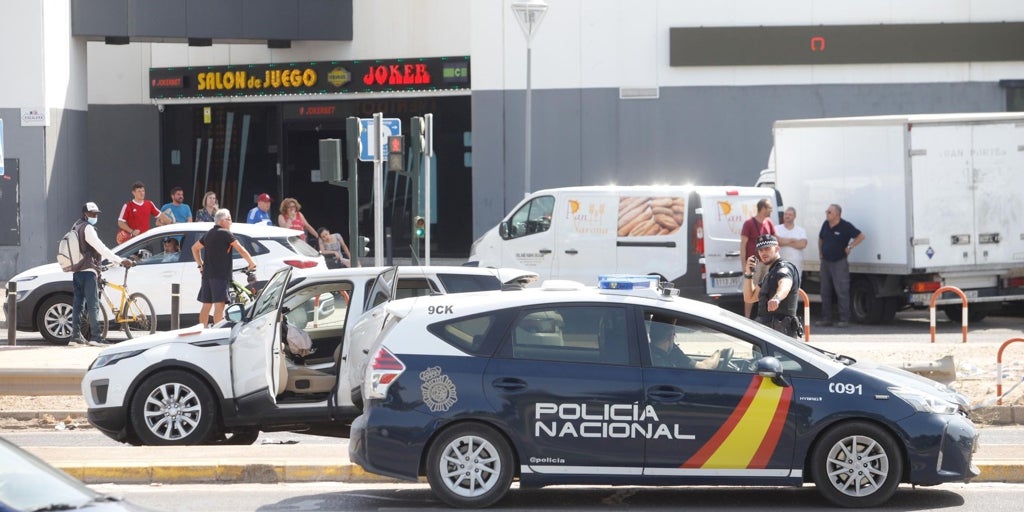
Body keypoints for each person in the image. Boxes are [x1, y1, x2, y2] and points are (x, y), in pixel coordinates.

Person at [69, 202, 133, 347]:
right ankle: (96, 337)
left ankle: (75, 337)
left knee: (78, 304)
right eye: (92, 214)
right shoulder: (88, 228)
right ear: (85, 214)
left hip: (77, 271)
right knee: (93, 305)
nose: (95, 216)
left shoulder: (76, 225)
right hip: (88, 271)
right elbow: (101, 248)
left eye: (96, 214)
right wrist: (120, 260)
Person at [191, 209, 256, 326]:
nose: (231, 222)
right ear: (222, 221)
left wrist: (200, 265)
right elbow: (240, 249)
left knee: (206, 305)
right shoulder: (225, 233)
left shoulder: (209, 233)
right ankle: (217, 334)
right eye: (229, 219)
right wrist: (251, 262)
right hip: (220, 276)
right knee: (219, 305)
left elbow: (194, 248)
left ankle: (201, 332)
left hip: (207, 275)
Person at [743, 234, 802, 338]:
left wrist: (777, 298)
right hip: (767, 330)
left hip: (782, 331)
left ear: (777, 249)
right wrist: (749, 274)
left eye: (767, 249)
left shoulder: (784, 268)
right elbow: (749, 298)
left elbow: (785, 284)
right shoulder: (770, 274)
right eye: (760, 250)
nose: (763, 253)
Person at [818, 204, 865, 327]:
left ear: (837, 214)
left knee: (842, 291)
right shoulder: (825, 224)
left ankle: (844, 319)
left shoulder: (845, 226)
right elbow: (821, 238)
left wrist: (850, 246)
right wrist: (821, 252)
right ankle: (826, 319)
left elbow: (861, 236)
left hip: (839, 262)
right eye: (826, 211)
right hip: (825, 262)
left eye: (829, 212)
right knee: (825, 291)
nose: (827, 214)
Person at [740, 198, 777, 318]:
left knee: (768, 289)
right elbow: (743, 244)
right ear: (763, 209)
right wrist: (744, 265)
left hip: (767, 262)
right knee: (750, 291)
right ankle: (747, 317)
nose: (771, 210)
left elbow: (775, 240)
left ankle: (766, 316)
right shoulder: (749, 223)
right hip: (755, 263)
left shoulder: (769, 222)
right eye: (769, 207)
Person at [648, 319, 721, 370]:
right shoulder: (661, 362)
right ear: (670, 337)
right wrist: (719, 352)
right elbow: (705, 367)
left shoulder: (649, 352)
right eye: (674, 335)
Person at [775, 206, 808, 277]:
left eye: (790, 215)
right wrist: (792, 240)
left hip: (796, 264)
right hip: (781, 263)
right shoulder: (776, 229)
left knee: (795, 286)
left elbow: (802, 244)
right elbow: (777, 242)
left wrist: (783, 241)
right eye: (786, 214)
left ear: (794, 216)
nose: (787, 216)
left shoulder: (800, 230)